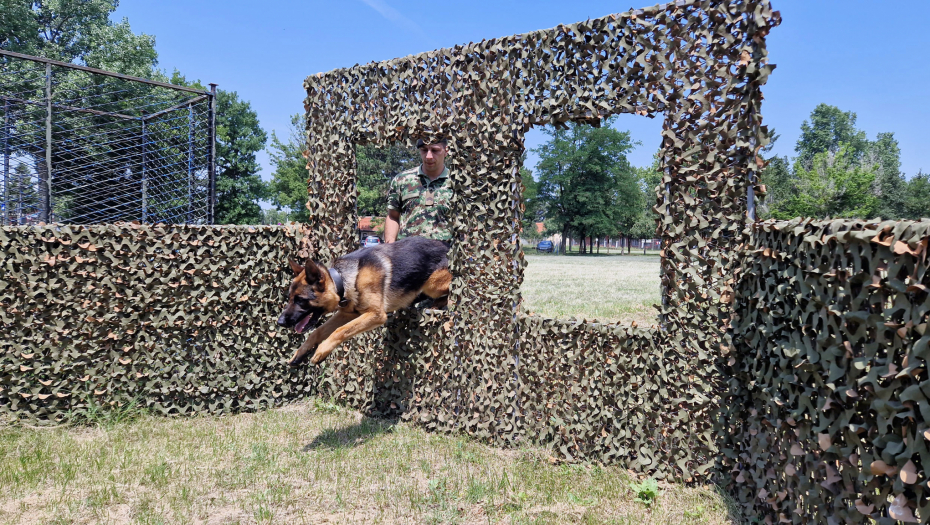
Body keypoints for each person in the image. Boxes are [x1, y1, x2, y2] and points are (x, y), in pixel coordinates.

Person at [384, 138, 453, 244]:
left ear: (446, 151)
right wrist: (389, 247)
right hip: (409, 255)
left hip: (445, 255)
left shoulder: (457, 183)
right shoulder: (402, 180)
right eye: (424, 150)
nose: (429, 156)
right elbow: (393, 216)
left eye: (435, 150)